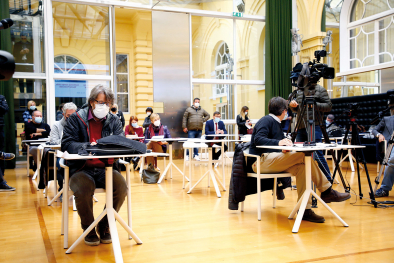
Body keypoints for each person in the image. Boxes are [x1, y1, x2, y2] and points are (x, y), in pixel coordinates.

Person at [249, 97, 350, 223]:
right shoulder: (266, 120)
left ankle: (305, 210)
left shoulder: (275, 122)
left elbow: (273, 145)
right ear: (284, 111)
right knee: (303, 155)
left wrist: (283, 148)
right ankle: (327, 190)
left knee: (303, 168)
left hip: (270, 160)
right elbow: (258, 139)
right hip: (259, 162)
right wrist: (279, 142)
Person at [61, 84, 127, 246]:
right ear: (92, 102)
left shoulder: (114, 120)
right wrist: (87, 147)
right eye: (101, 103)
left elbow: (121, 141)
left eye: (108, 104)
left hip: (107, 168)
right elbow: (67, 143)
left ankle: (104, 225)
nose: (105, 107)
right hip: (81, 168)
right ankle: (88, 227)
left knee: (121, 187)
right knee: (83, 188)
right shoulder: (77, 118)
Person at [289, 83, 333, 181]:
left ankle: (328, 180)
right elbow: (296, 109)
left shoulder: (320, 89)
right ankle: (304, 180)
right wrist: (292, 106)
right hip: (300, 126)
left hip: (315, 125)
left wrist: (314, 104)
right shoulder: (299, 90)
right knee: (300, 155)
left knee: (317, 154)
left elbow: (329, 106)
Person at [49, 102, 77, 195]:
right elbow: (53, 141)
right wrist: (68, 143)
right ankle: (62, 189)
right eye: (69, 115)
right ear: (63, 114)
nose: (71, 117)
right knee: (60, 164)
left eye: (73, 115)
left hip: (76, 153)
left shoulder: (79, 124)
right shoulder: (56, 125)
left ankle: (79, 190)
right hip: (62, 153)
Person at [372, 114, 394, 197]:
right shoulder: (387, 119)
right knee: (392, 160)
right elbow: (374, 130)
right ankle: (385, 188)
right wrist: (379, 135)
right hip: (391, 145)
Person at [0, 94, 16, 191]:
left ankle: (1, 182)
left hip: (0, 127)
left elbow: (5, 109)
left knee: (1, 156)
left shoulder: (1, 97)